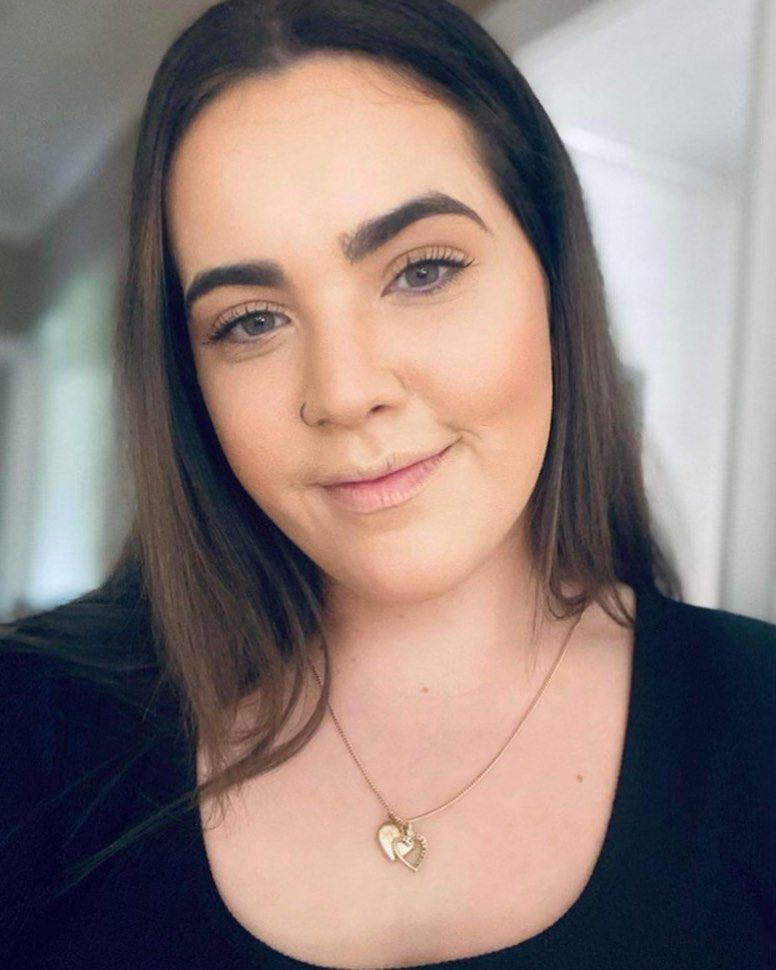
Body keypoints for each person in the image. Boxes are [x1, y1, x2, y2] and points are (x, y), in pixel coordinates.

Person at [1, 0, 774, 967]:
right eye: (250, 321)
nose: (345, 391)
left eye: (423, 270)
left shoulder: (759, 723)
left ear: (552, 275)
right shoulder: (30, 726)